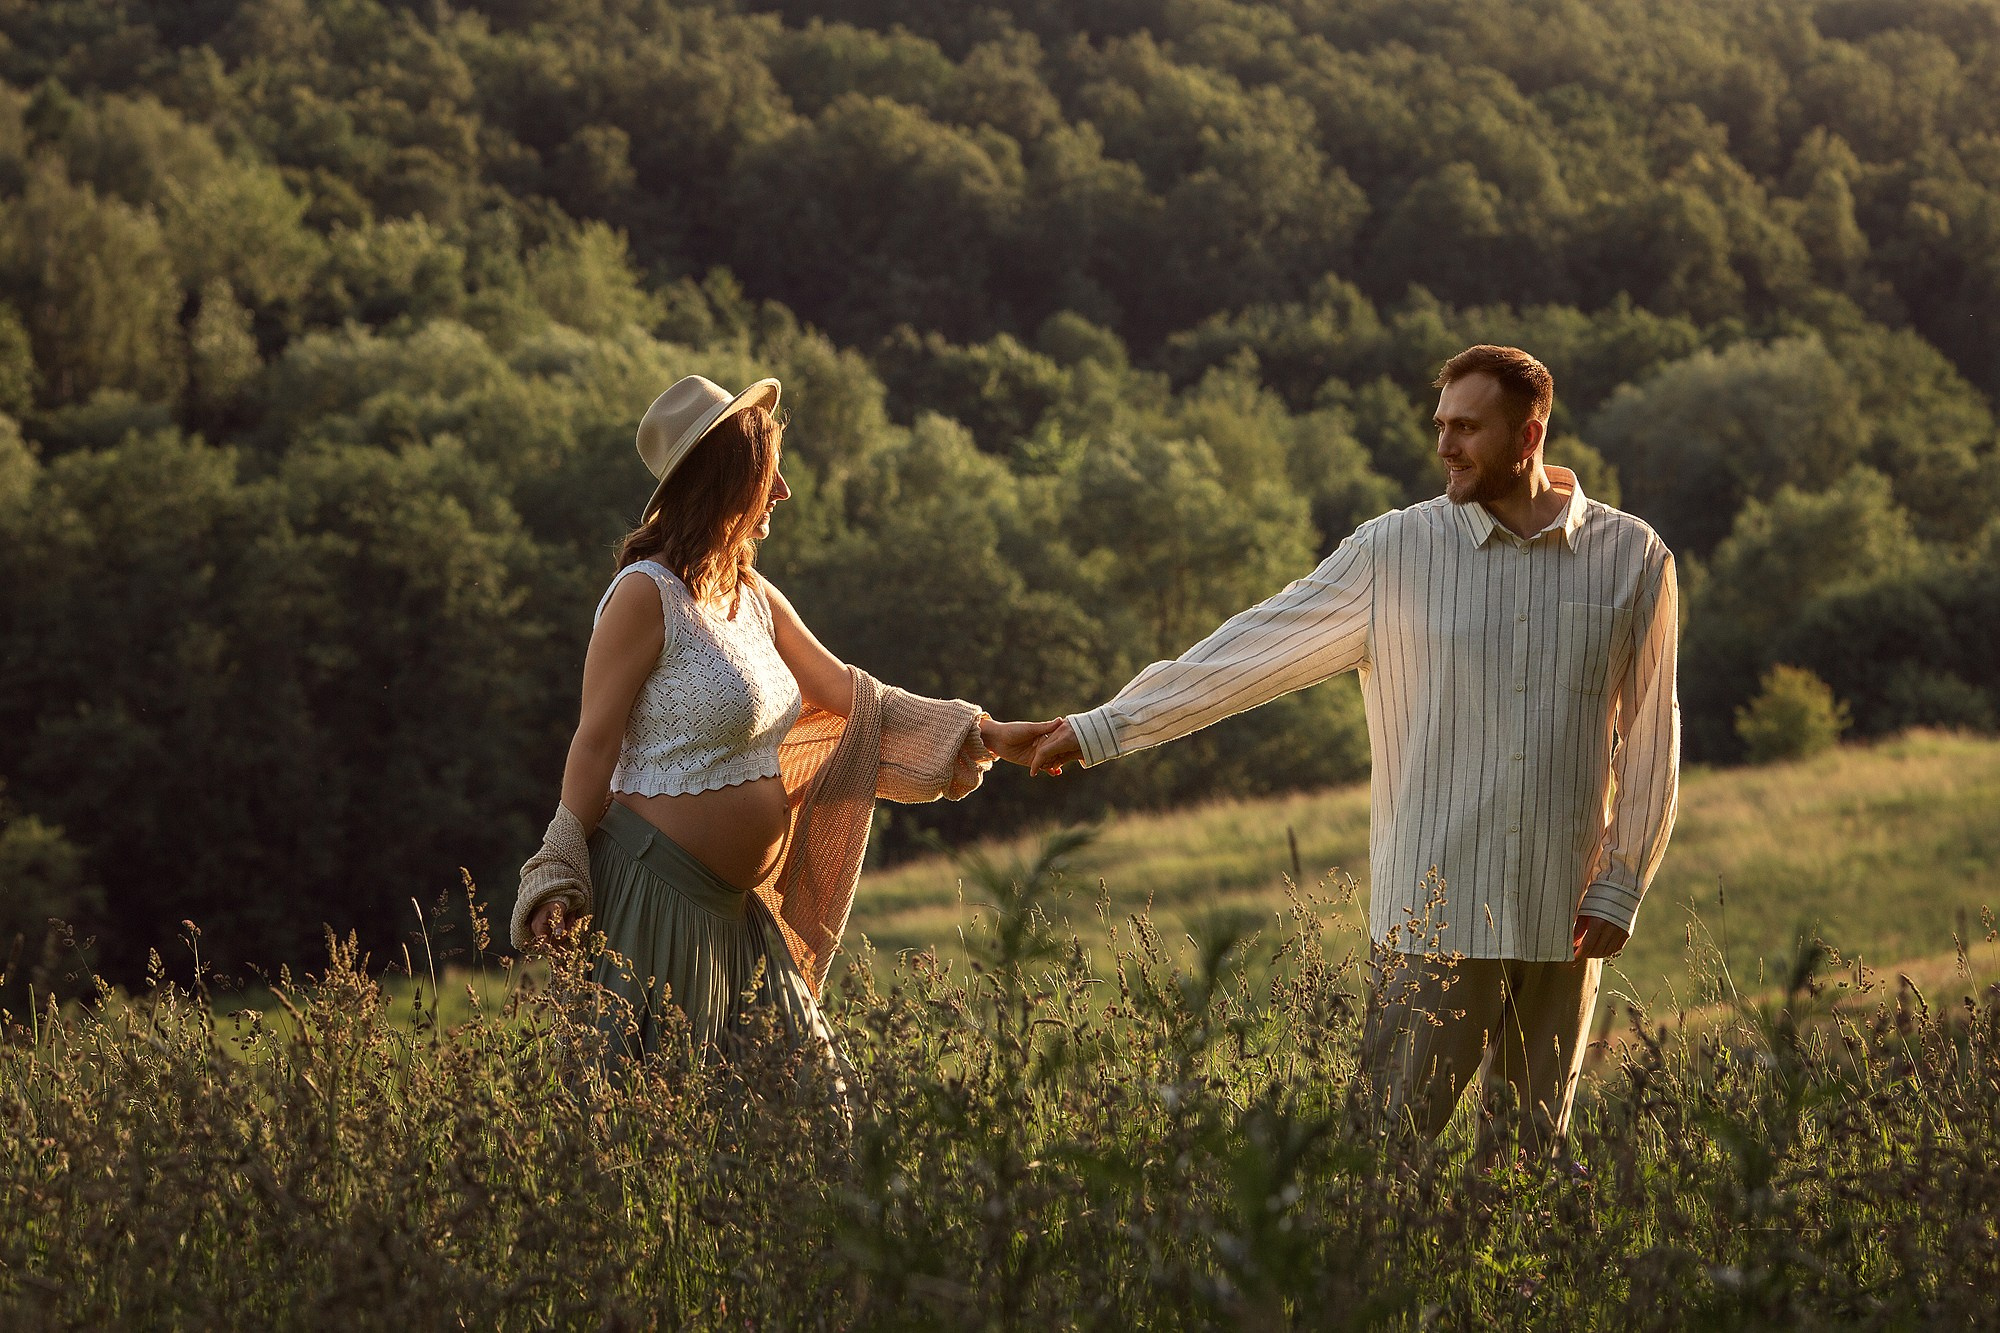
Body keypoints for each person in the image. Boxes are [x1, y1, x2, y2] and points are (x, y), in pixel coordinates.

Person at [1029, 345, 1680, 1151]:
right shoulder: (1393, 553)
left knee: (1525, 1173)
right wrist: (1099, 729)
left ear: (1529, 433)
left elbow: (1652, 732)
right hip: (1433, 918)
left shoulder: (1634, 557)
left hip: (1565, 915)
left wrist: (1622, 886)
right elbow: (1248, 652)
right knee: (1384, 1159)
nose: (1445, 445)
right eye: (1441, 425)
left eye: (1467, 427)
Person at [509, 374, 1054, 1069]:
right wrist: (559, 865)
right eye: (771, 472)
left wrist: (984, 732)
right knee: (655, 1124)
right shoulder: (645, 596)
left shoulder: (754, 597)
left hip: (739, 915)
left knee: (824, 1119)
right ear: (727, 480)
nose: (785, 491)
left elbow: (854, 696)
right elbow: (593, 746)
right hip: (655, 897)